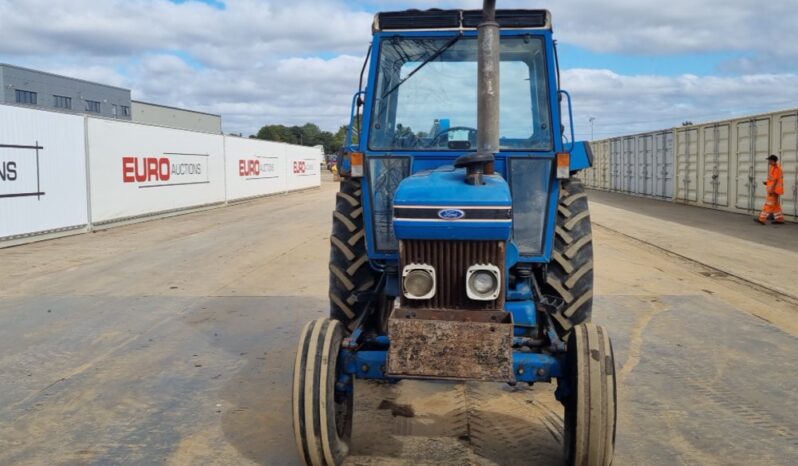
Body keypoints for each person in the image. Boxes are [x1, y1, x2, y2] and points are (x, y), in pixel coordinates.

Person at [755, 154, 785, 224]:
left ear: (773, 161)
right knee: (776, 206)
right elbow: (772, 179)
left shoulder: (777, 168)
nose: (769, 162)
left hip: (774, 190)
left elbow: (775, 180)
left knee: (768, 205)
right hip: (774, 189)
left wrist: (771, 189)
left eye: (769, 160)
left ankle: (761, 219)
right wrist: (767, 183)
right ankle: (780, 219)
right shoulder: (773, 167)